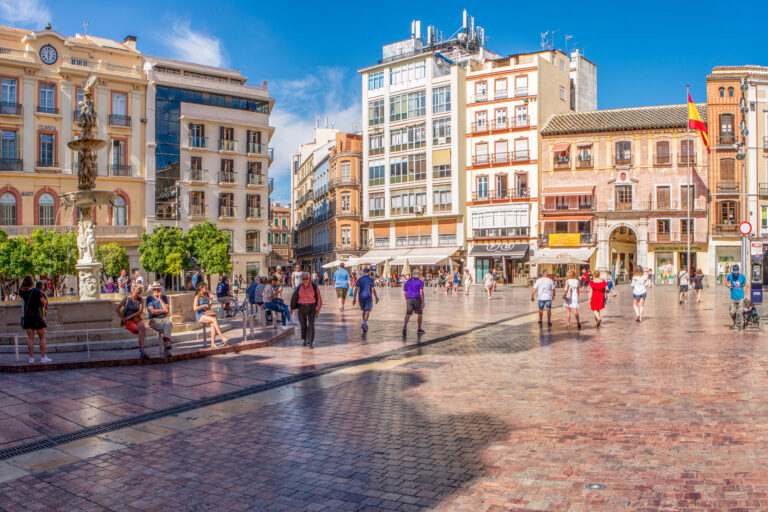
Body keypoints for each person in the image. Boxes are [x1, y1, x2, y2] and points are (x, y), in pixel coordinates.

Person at [19, 275, 51, 364]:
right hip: (37, 316)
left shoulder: (22, 292)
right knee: (42, 337)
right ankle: (43, 357)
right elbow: (44, 302)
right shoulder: (36, 291)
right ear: (32, 282)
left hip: (27, 317)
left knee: (30, 338)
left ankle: (31, 358)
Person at [290, 272, 322, 347]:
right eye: (303, 279)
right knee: (303, 324)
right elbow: (294, 298)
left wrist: (318, 311)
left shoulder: (314, 287)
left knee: (311, 324)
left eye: (307, 278)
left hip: (311, 307)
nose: (305, 280)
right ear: (301, 279)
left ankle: (310, 341)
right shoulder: (299, 287)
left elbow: (319, 299)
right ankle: (305, 339)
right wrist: (291, 308)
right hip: (301, 307)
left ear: (310, 278)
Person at [117, 284, 149, 359]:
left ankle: (142, 349)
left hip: (137, 319)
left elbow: (140, 311)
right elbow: (117, 308)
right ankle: (142, 349)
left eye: (138, 293)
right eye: (136, 292)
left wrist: (131, 316)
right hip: (129, 321)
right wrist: (122, 318)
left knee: (142, 327)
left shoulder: (140, 300)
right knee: (140, 330)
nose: (137, 295)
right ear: (132, 291)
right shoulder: (126, 299)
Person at [193, 283, 229, 348]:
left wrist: (210, 301)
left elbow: (208, 308)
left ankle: (213, 344)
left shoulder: (206, 296)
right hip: (200, 315)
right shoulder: (197, 296)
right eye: (205, 288)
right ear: (201, 288)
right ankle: (222, 338)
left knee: (213, 325)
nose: (207, 289)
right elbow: (195, 308)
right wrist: (203, 305)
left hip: (206, 314)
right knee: (214, 319)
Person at [146, 281, 173, 357]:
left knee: (169, 323)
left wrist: (160, 299)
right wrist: (162, 310)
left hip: (164, 319)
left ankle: (167, 348)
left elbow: (167, 310)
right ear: (152, 290)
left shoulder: (164, 298)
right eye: (155, 289)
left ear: (160, 289)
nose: (156, 291)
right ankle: (167, 346)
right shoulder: (149, 298)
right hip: (154, 320)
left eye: (158, 289)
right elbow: (153, 311)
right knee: (167, 328)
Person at [353, 267, 379, 332]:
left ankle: (364, 323)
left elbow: (356, 289)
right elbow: (372, 289)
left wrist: (354, 298)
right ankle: (364, 323)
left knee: (364, 310)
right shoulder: (370, 279)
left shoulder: (359, 279)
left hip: (361, 297)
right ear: (368, 272)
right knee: (367, 311)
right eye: (370, 272)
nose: (370, 273)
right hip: (368, 296)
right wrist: (376, 297)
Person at [402, 269, 425, 336]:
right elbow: (421, 292)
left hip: (409, 299)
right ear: (418, 274)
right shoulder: (420, 282)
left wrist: (406, 299)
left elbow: (404, 292)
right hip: (417, 298)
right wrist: (423, 302)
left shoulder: (408, 281)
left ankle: (405, 326)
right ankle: (419, 328)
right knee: (419, 314)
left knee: (408, 314)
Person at [726, 264, 748, 332]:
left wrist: (745, 295)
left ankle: (737, 326)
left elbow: (744, 286)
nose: (736, 273)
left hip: (741, 297)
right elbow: (726, 280)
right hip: (733, 297)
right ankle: (736, 322)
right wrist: (728, 285)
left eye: (737, 272)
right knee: (731, 312)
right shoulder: (730, 276)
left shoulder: (742, 277)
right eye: (734, 272)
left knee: (739, 312)